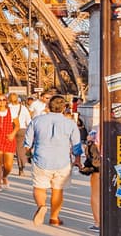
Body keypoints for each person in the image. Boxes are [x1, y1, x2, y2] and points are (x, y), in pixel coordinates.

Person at [24, 95, 81, 227]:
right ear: (64, 108)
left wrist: (28, 154)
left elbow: (28, 142)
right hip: (62, 161)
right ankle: (54, 217)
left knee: (39, 187)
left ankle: (41, 206)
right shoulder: (70, 123)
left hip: (41, 159)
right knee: (58, 190)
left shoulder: (37, 121)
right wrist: (77, 159)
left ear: (48, 106)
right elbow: (76, 145)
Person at [7, 93, 32, 175]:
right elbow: (28, 121)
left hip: (10, 129)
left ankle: (6, 166)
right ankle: (21, 168)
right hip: (22, 129)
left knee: (8, 148)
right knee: (20, 149)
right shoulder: (23, 108)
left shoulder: (7, 108)